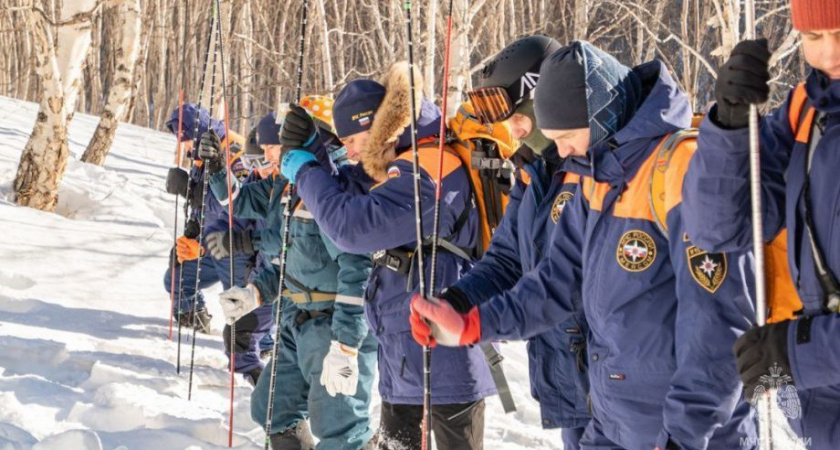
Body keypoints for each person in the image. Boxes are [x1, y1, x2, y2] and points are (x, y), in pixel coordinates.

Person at [411, 41, 758, 450]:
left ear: (599, 112)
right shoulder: (593, 175)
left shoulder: (681, 168)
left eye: (568, 136)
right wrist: (470, 320)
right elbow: (554, 281)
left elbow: (719, 326)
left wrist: (683, 435)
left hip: (687, 433)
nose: (562, 152)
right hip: (613, 418)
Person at [280, 62, 496, 450]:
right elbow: (358, 191)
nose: (347, 151)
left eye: (350, 140)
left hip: (444, 358)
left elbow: (352, 226)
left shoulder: (431, 169)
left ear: (376, 127)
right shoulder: (401, 163)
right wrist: (314, 151)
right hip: (403, 355)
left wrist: (307, 171)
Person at [680, 1, 840, 448]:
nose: (829, 56)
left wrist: (800, 350)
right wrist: (729, 126)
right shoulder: (809, 111)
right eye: (813, 37)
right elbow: (718, 228)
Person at [204, 101, 378, 450]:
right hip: (293, 319)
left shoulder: (337, 188)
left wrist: (345, 343)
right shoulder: (288, 187)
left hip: (332, 326)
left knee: (340, 427)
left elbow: (359, 273)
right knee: (271, 407)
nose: (267, 151)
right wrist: (254, 294)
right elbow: (292, 260)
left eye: (276, 142)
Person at [449, 35, 591, 449]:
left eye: (505, 107)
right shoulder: (531, 173)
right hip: (569, 376)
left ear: (537, 91)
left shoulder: (595, 164)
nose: (504, 123)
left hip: (609, 378)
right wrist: (458, 301)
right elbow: (507, 260)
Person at [163, 104, 251, 335]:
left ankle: (261, 348)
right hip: (209, 244)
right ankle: (193, 320)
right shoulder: (202, 154)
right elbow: (202, 204)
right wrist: (192, 231)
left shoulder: (237, 153)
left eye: (188, 141)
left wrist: (201, 247)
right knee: (177, 278)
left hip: (237, 245)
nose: (188, 148)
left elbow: (238, 208)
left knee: (242, 308)